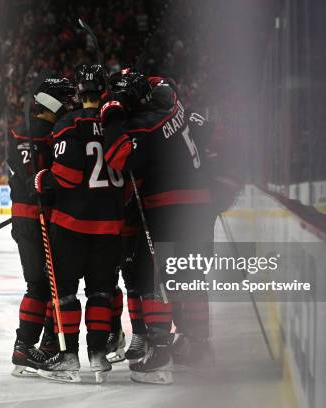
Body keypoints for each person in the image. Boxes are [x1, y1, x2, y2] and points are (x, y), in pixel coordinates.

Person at [100, 69, 216, 384]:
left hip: (170, 206)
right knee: (191, 276)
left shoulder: (148, 124)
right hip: (199, 205)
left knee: (158, 278)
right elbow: (164, 86)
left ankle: (160, 349)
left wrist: (112, 111)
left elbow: (118, 156)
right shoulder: (177, 109)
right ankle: (199, 345)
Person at [31, 64, 125, 383]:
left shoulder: (68, 124)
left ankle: (68, 357)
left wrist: (44, 179)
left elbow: (68, 177)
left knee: (67, 294)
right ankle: (98, 354)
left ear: (80, 93)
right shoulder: (115, 122)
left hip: (72, 226)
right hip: (109, 226)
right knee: (101, 292)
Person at [7, 76, 75, 377]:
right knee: (44, 285)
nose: (70, 104)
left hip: (26, 217)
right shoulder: (47, 133)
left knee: (44, 284)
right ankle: (29, 348)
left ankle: (33, 347)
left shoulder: (20, 130)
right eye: (66, 98)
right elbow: (40, 181)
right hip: (41, 218)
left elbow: (20, 178)